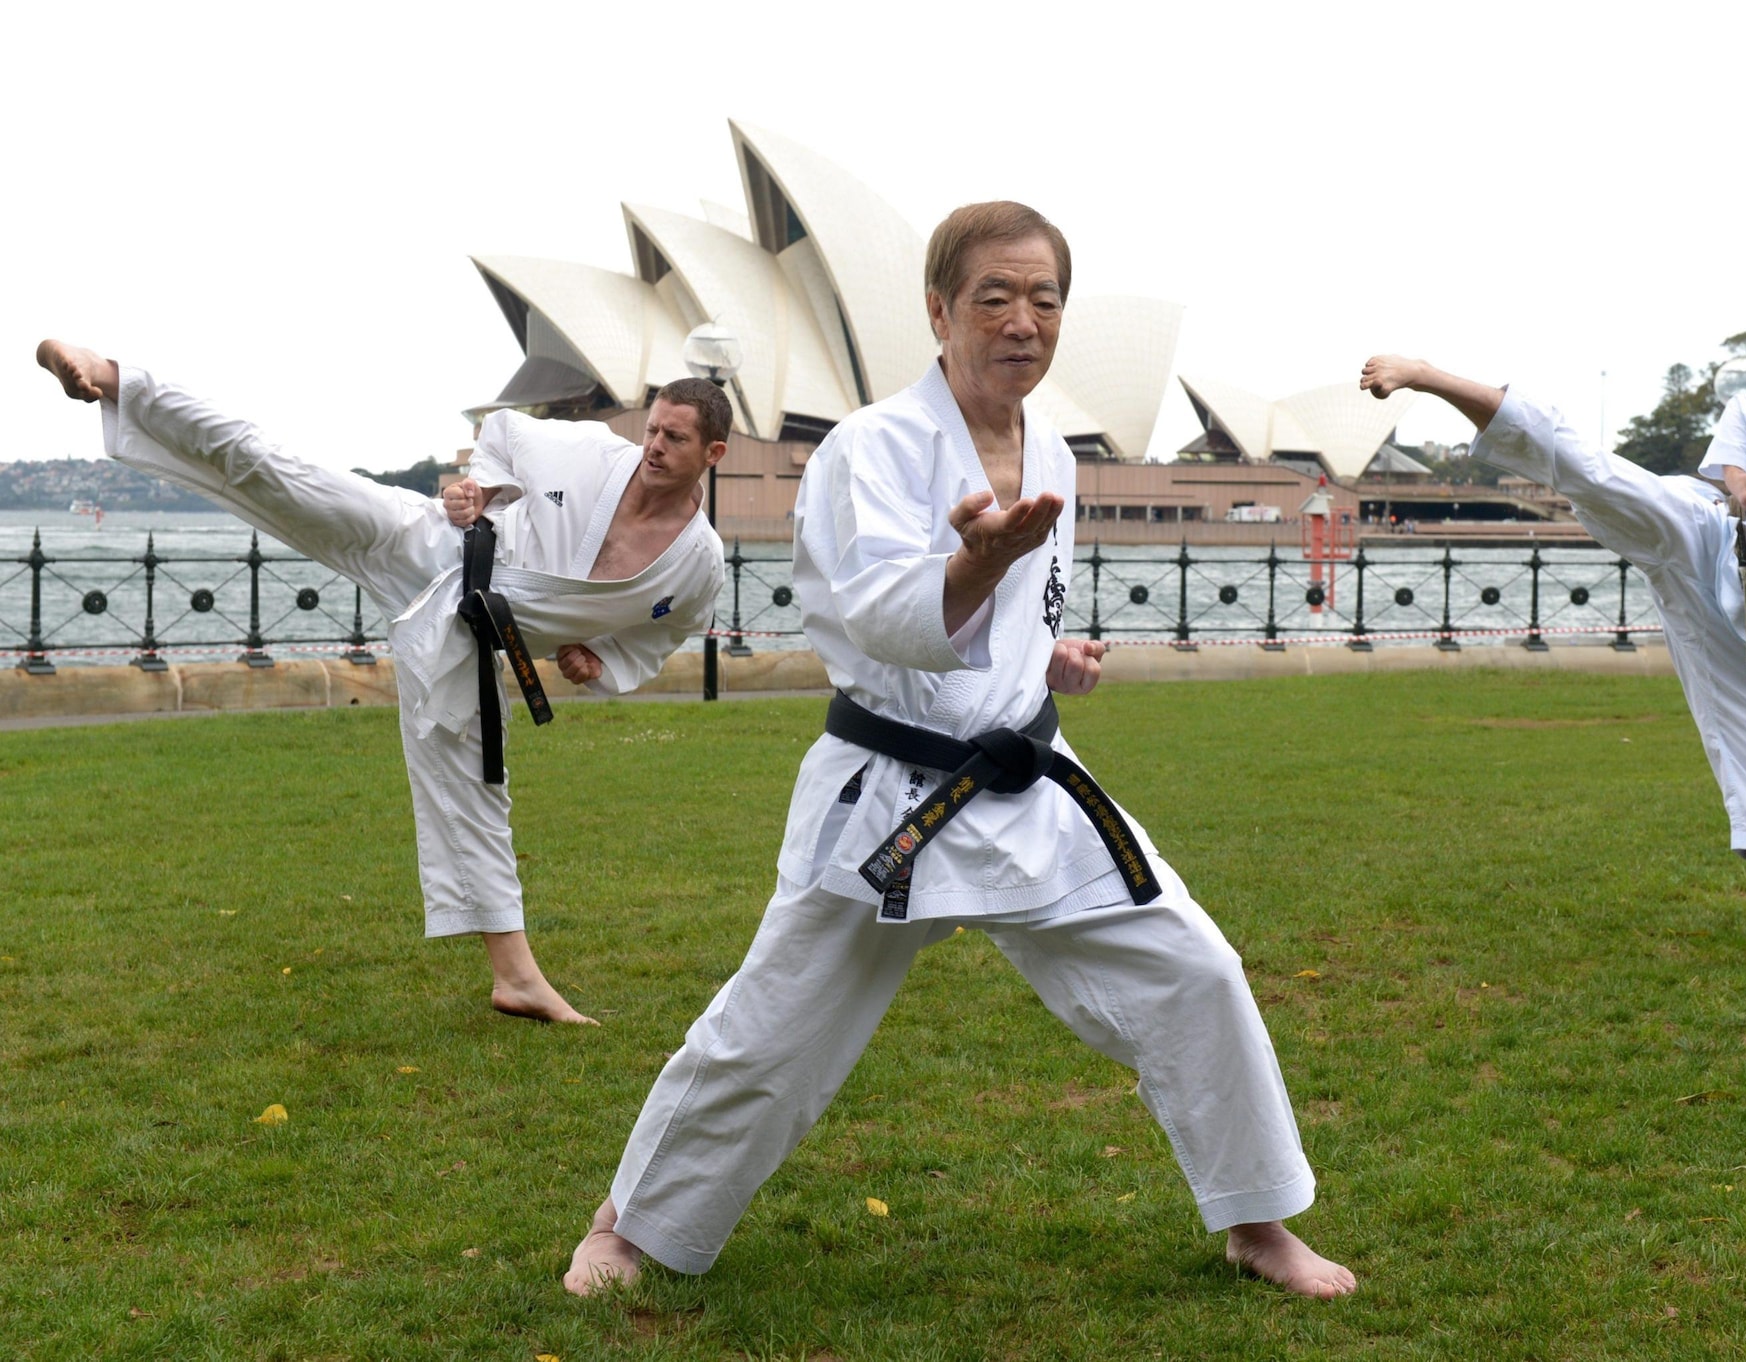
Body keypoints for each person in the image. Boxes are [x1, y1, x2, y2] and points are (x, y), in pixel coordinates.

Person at [564, 203, 1355, 1299]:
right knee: (773, 1027)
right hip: (891, 794)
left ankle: (1257, 1220)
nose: (1023, 320)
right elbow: (883, 617)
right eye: (995, 297)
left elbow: (1018, 613)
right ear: (938, 312)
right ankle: (628, 1226)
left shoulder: (1053, 453)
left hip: (1026, 780)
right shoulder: (872, 447)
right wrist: (977, 567)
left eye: (1044, 299)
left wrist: (1049, 656)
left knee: (1195, 973)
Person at [35, 340, 729, 1022]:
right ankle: (116, 377)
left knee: (479, 798)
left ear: (713, 453)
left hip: (467, 639)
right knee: (280, 469)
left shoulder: (698, 563)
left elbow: (664, 630)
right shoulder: (594, 455)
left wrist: (601, 659)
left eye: (674, 438)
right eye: (652, 430)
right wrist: (482, 491)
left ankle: (517, 980)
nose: (654, 447)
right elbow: (503, 432)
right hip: (429, 546)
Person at [1360, 354, 1746, 973]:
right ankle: (1429, 376)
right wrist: (1734, 477)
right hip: (1707, 528)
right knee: (1592, 471)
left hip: (1737, 610)